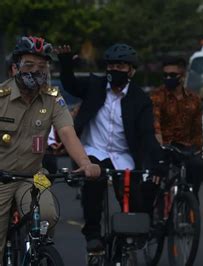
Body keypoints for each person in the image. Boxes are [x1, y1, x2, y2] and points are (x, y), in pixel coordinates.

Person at [56, 43, 163, 252]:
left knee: (135, 193)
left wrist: (158, 161)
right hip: (94, 150)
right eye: (112, 66)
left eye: (121, 66)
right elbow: (70, 85)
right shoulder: (94, 85)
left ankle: (135, 232)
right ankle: (93, 234)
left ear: (131, 70)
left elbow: (147, 135)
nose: (116, 70)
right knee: (93, 184)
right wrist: (66, 63)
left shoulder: (140, 98)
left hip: (124, 155)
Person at [0, 36, 101, 257]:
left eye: (42, 67)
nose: (36, 71)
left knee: (46, 216)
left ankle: (37, 255)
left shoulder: (53, 99)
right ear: (14, 68)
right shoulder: (2, 98)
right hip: (2, 178)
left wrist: (85, 163)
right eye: (29, 65)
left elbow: (67, 132)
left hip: (34, 176)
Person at [150, 57, 203, 199]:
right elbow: (155, 125)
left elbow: (197, 128)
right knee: (158, 180)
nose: (168, 78)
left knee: (197, 167)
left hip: (186, 148)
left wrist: (199, 150)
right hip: (165, 147)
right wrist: (160, 147)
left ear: (183, 75)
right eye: (165, 75)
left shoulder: (194, 99)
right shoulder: (157, 97)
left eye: (173, 75)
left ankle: (192, 200)